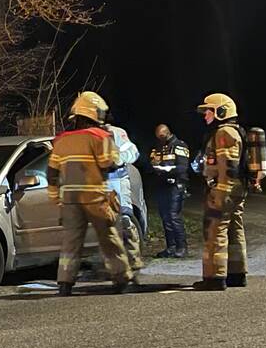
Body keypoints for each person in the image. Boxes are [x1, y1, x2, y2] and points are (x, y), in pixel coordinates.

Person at [47, 91, 135, 296]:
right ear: (95, 113)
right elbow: (109, 162)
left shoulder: (61, 140)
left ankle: (65, 282)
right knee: (109, 237)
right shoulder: (100, 137)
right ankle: (121, 278)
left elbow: (52, 171)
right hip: (94, 197)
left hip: (69, 200)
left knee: (70, 242)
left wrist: (54, 195)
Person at [193, 93, 248, 291]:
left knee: (215, 231)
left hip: (224, 189)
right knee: (235, 230)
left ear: (220, 112)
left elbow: (228, 165)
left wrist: (220, 192)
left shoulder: (224, 133)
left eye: (208, 110)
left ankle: (214, 278)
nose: (205, 115)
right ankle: (236, 274)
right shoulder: (234, 131)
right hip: (235, 189)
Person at [105, 116, 144, 273]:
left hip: (117, 180)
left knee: (125, 220)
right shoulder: (84, 135)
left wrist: (118, 159)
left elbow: (133, 152)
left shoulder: (115, 132)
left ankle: (133, 258)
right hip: (96, 183)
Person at [149, 124, 190, 258]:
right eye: (158, 137)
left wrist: (168, 170)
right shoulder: (157, 147)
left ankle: (181, 247)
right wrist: (156, 168)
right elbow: (152, 161)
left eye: (162, 136)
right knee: (165, 217)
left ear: (167, 133)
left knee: (173, 216)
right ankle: (171, 247)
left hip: (176, 185)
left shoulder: (179, 146)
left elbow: (182, 167)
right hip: (162, 185)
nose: (160, 139)